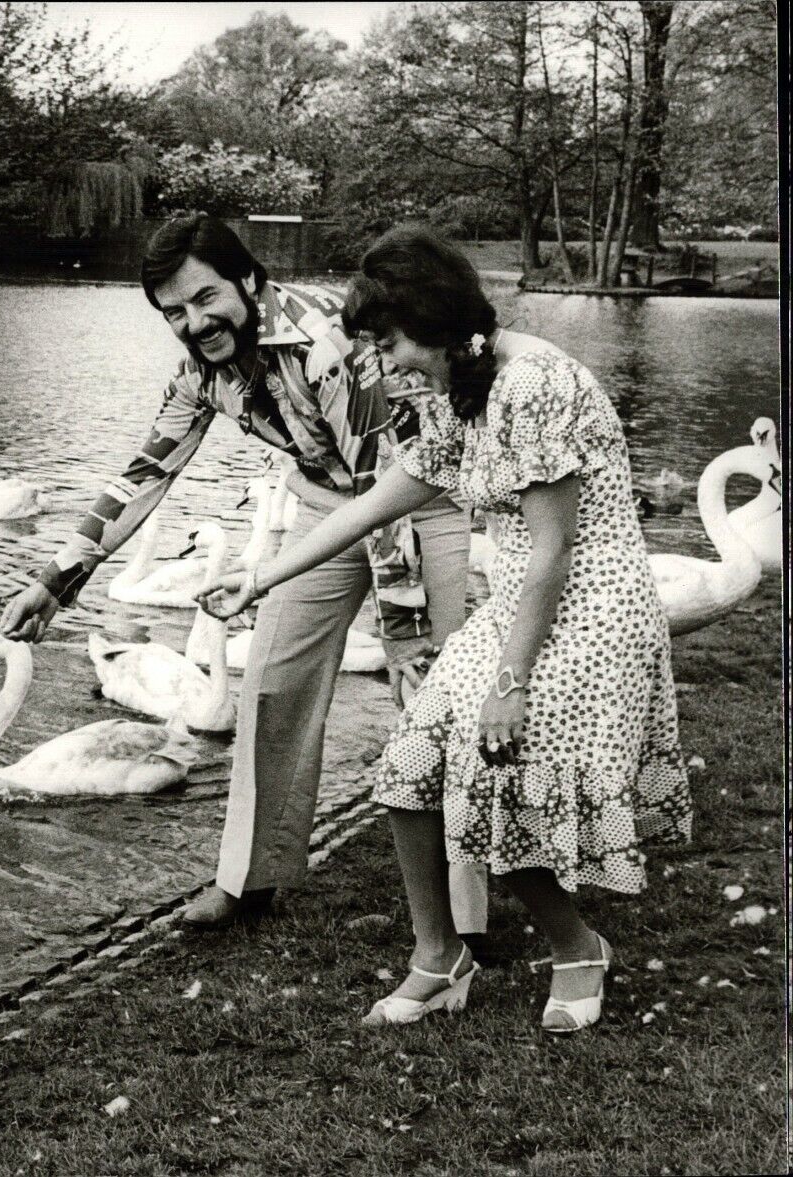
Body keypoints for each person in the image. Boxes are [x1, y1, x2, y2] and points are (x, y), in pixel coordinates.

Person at [199, 225, 688, 1032]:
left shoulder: (530, 382)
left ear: (432, 317)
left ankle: (578, 947)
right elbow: (379, 497)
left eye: (389, 341)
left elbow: (556, 549)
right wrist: (262, 576)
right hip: (527, 597)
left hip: (594, 601)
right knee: (409, 760)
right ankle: (440, 954)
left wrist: (510, 683)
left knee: (497, 760)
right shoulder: (462, 382)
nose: (385, 362)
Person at [0, 213, 474, 927]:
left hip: (419, 500)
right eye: (174, 313)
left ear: (249, 280)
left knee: (438, 690)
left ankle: (469, 908)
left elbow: (386, 490)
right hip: (322, 505)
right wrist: (54, 580)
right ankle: (250, 881)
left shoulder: (326, 345)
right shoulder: (199, 374)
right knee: (272, 685)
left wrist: (404, 631)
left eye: (205, 298)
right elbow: (145, 473)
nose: (194, 322)